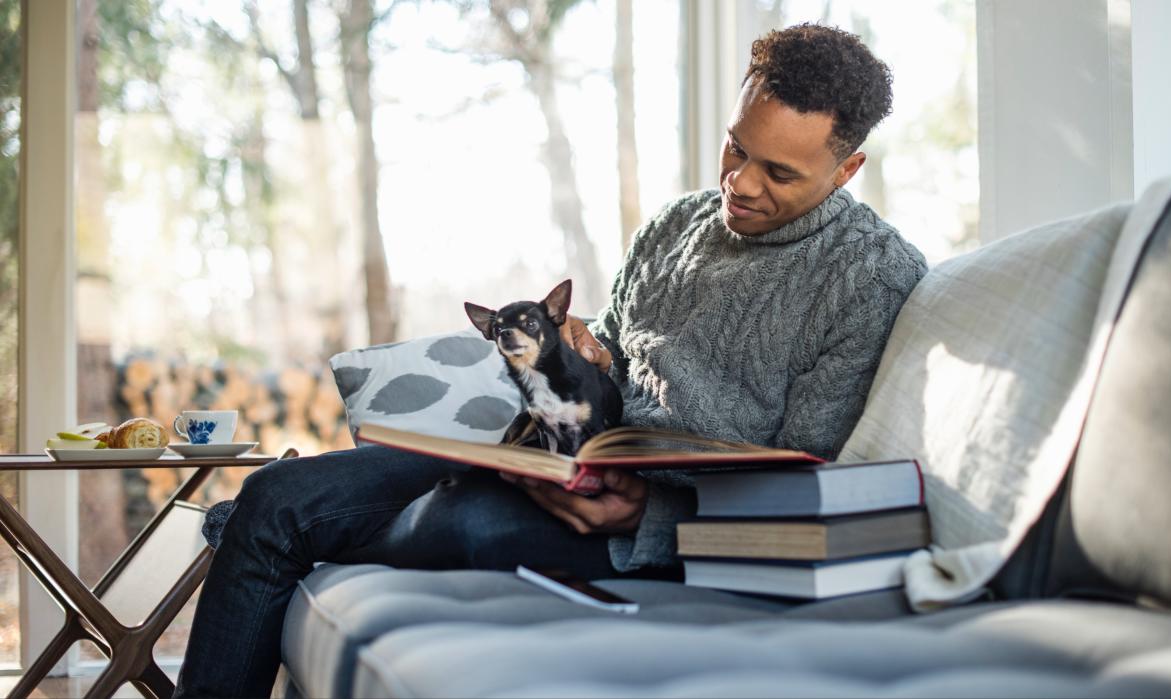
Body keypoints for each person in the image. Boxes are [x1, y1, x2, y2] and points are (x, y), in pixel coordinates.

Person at [174, 22, 927, 697]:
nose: (739, 182)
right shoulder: (677, 226)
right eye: (736, 147)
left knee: (463, 520)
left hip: (646, 517)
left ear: (847, 167)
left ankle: (264, 530)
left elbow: (809, 480)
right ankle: (267, 519)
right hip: (544, 449)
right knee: (276, 494)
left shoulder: (871, 275)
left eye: (780, 172)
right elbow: (620, 363)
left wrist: (651, 514)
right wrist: (584, 353)